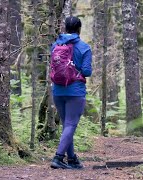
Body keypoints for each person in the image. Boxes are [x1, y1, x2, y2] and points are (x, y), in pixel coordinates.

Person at [50, 16, 92, 169]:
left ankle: (72, 159)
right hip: (75, 91)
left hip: (58, 90)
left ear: (65, 28)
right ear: (79, 29)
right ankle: (58, 158)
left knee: (67, 125)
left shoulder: (55, 45)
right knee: (70, 125)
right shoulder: (84, 47)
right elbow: (87, 71)